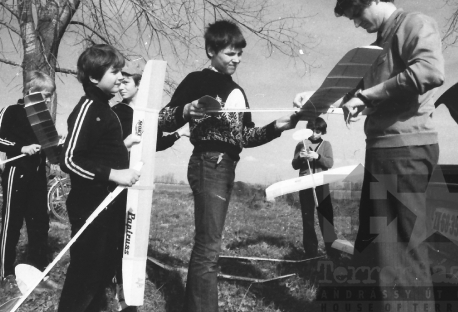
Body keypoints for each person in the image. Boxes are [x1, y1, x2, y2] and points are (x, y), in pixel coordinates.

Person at [295, 0, 444, 312]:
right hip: (382, 150)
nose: (357, 23)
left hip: (405, 148)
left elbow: (431, 71)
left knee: (400, 252)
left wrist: (368, 95)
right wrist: (316, 100)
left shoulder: (415, 23)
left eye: (357, 14)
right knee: (374, 246)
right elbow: (353, 89)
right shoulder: (376, 45)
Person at [159, 20, 299, 312]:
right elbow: (163, 118)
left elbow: (245, 136)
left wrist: (280, 126)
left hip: (226, 166)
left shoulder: (238, 91)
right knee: (208, 248)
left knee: (211, 246)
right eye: (229, 53)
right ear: (211, 50)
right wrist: (186, 109)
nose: (236, 59)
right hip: (207, 162)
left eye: (240, 54)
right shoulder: (196, 80)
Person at [58, 44, 141, 312]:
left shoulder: (105, 109)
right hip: (89, 207)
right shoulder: (89, 107)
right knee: (85, 275)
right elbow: (70, 159)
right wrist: (116, 173)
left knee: (100, 273)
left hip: (106, 208)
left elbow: (97, 152)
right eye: (115, 71)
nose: (120, 77)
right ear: (94, 77)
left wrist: (123, 145)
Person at [111, 71, 189, 311]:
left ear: (139, 86)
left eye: (127, 83)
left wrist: (179, 133)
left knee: (130, 229)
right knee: (119, 232)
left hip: (137, 181)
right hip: (117, 179)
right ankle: (119, 285)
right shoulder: (118, 112)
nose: (121, 87)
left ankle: (124, 281)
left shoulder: (144, 114)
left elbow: (152, 142)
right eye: (119, 83)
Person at [0, 70, 55, 289]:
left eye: (50, 96)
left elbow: (49, 146)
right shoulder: (11, 111)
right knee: (12, 224)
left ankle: (38, 271)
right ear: (30, 92)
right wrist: (21, 148)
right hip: (16, 174)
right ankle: (6, 273)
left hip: (37, 177)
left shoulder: (44, 118)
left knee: (39, 224)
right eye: (45, 95)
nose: (48, 100)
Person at [291, 117, 338, 260]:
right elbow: (294, 164)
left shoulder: (326, 144)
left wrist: (317, 156)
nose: (315, 134)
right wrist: (301, 157)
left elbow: (329, 163)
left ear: (323, 131)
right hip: (305, 184)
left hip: (321, 184)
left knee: (326, 218)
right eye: (312, 130)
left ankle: (333, 252)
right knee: (308, 218)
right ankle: (310, 252)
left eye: (318, 131)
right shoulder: (301, 144)